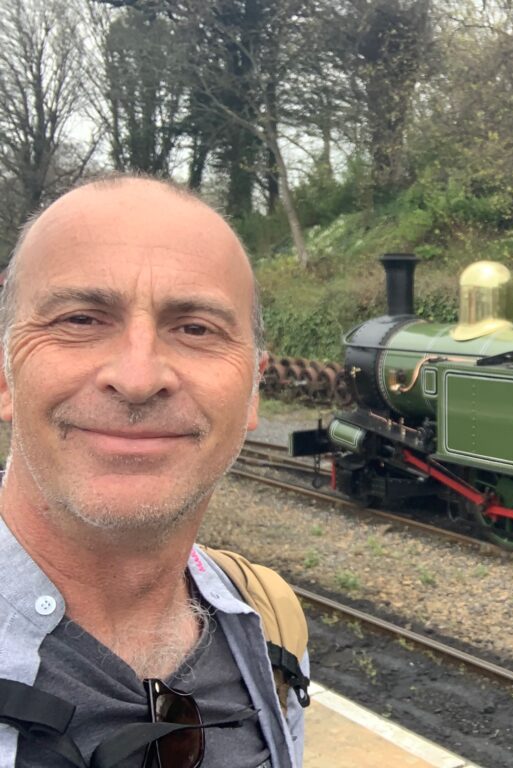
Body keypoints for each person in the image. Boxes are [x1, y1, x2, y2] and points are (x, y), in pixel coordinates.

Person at [0, 176, 306, 766]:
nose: (138, 378)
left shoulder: (272, 622)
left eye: (195, 329)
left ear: (252, 392)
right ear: (4, 375)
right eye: (81, 320)